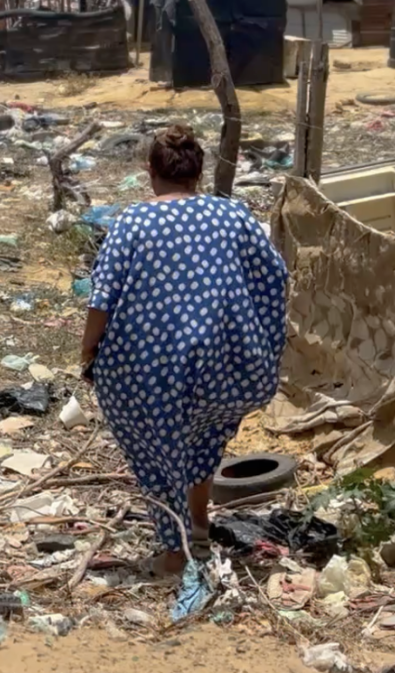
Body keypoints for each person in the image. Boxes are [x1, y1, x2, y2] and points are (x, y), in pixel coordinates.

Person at [78, 124, 289, 575]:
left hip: (152, 374)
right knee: (201, 443)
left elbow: (102, 299)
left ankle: (176, 554)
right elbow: (276, 278)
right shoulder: (233, 217)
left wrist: (89, 352)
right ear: (199, 171)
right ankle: (197, 523)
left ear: (151, 171)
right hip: (229, 371)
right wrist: (260, 344)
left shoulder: (133, 222)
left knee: (159, 455)